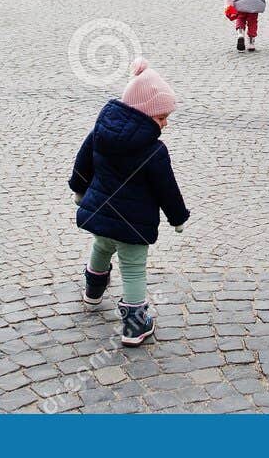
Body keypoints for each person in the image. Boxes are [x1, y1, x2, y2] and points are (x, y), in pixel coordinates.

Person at [69, 58, 190, 347]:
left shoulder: (101, 131)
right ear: (144, 114)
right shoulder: (154, 151)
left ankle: (93, 291)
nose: (165, 123)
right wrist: (178, 217)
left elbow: (83, 162)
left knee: (101, 246)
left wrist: (78, 189)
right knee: (134, 269)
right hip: (134, 226)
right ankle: (135, 325)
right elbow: (167, 189)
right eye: (161, 117)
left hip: (101, 212)